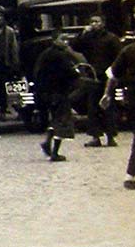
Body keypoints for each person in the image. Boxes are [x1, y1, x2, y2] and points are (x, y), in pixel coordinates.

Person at [100, 15, 135, 189]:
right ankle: (130, 175)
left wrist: (107, 94)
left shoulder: (128, 50)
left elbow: (112, 75)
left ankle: (132, 174)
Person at [70, 12, 121, 148]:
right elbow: (74, 46)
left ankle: (111, 137)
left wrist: (115, 74)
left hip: (107, 76)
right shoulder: (88, 38)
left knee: (108, 106)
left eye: (97, 22)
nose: (94, 24)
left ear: (103, 23)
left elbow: (118, 57)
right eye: (92, 22)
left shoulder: (111, 38)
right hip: (92, 76)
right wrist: (82, 33)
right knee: (93, 107)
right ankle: (96, 136)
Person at [34, 28, 82, 162]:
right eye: (62, 39)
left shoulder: (45, 54)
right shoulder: (60, 55)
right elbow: (68, 72)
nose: (66, 42)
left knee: (55, 119)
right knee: (62, 121)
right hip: (59, 92)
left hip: (47, 92)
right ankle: (55, 152)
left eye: (67, 39)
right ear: (55, 40)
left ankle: (47, 142)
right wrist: (76, 72)